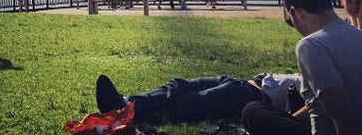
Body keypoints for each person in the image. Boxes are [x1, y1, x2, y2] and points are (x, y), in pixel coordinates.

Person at [242, 0, 362, 134]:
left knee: (252, 110)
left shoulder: (312, 46)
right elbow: (324, 102)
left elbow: (344, 119)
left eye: (291, 20)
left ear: (297, 13)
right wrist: (289, 119)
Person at [95, 72, 302, 126]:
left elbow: (308, 112)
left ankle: (131, 113)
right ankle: (125, 102)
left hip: (252, 96)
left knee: (190, 103)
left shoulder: (328, 94)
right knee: (178, 85)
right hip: (243, 82)